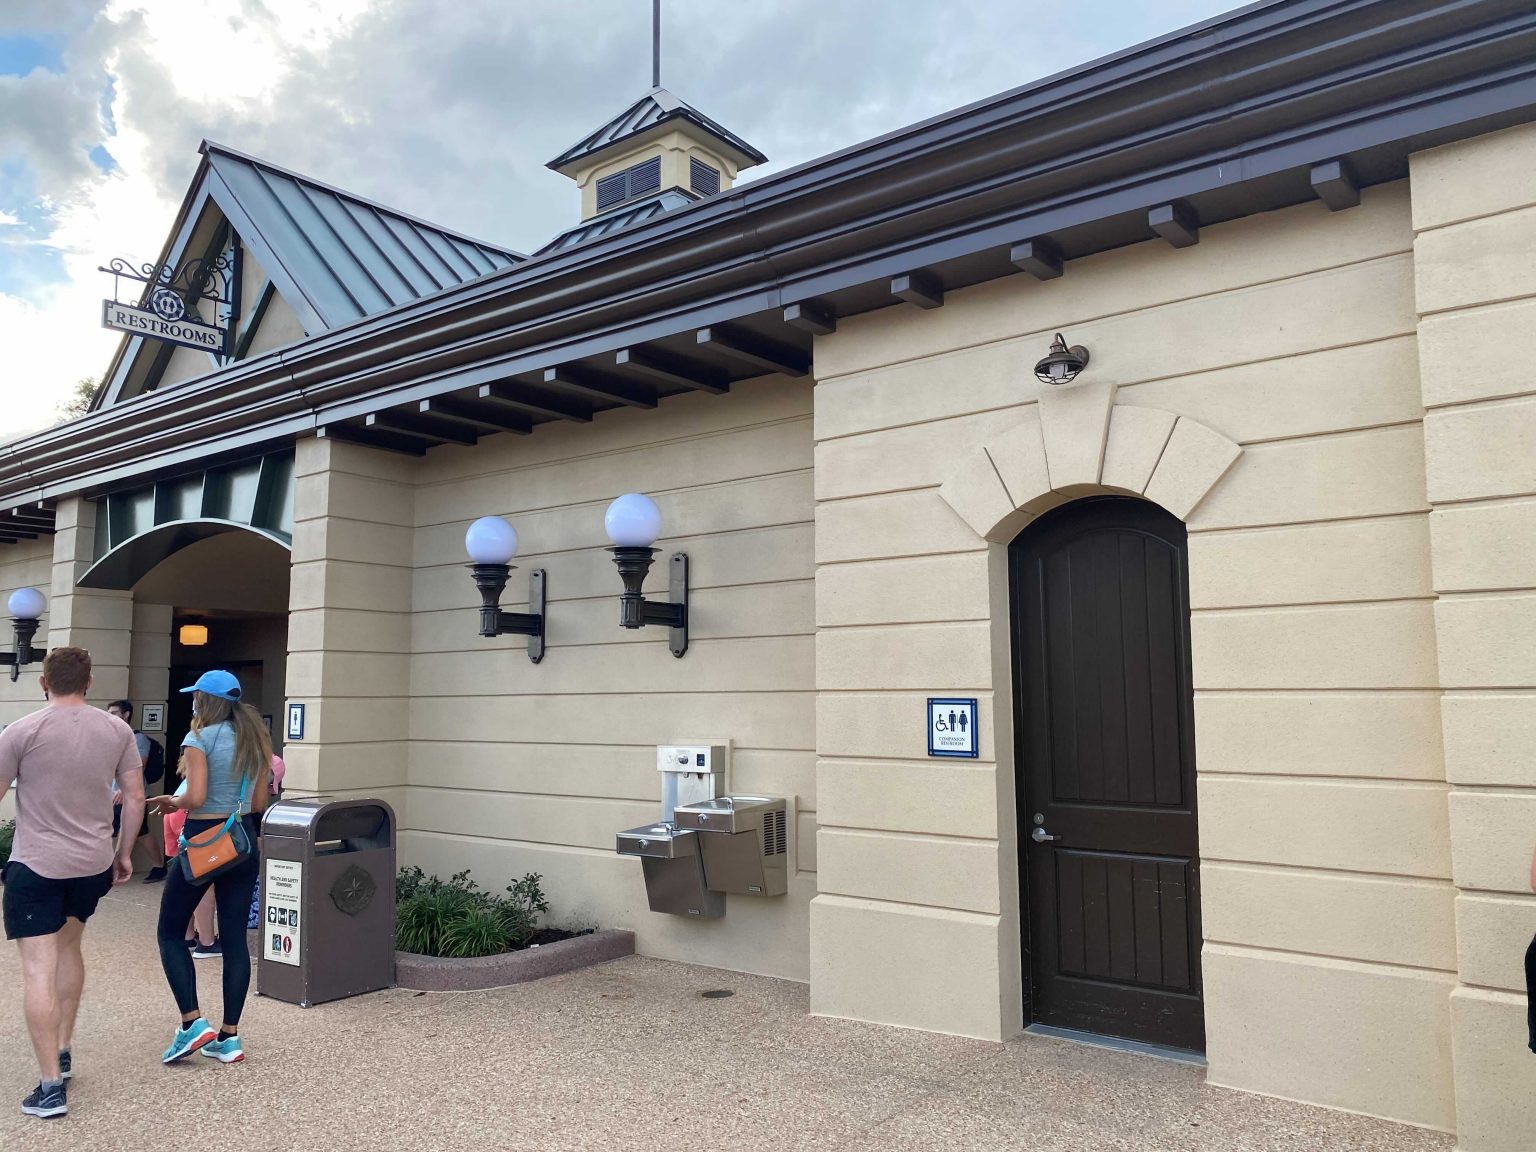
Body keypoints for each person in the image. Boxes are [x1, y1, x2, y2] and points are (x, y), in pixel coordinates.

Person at [0, 647, 143, 1119]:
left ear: (44, 682)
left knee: (39, 968)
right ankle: (62, 1047)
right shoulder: (117, 730)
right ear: (89, 681)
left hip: (37, 864)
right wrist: (123, 853)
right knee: (69, 949)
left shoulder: (20, 732)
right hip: (91, 863)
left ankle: (49, 1086)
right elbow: (136, 796)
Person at [146, 670, 270, 1066]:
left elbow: (195, 796)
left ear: (207, 700)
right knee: (234, 939)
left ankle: (191, 1023)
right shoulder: (256, 741)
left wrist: (172, 802)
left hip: (204, 842)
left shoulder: (198, 738)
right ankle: (229, 1037)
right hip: (243, 842)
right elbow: (257, 803)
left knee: (169, 931)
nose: (193, 701)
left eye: (196, 695)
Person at [105, 700, 167, 883]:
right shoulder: (110, 737)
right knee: (123, 831)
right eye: (108, 712)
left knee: (137, 831)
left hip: (129, 795)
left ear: (126, 715)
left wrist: (125, 791)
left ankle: (158, 866)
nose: (110, 716)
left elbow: (139, 766)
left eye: (114, 713)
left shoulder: (137, 739)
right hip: (112, 794)